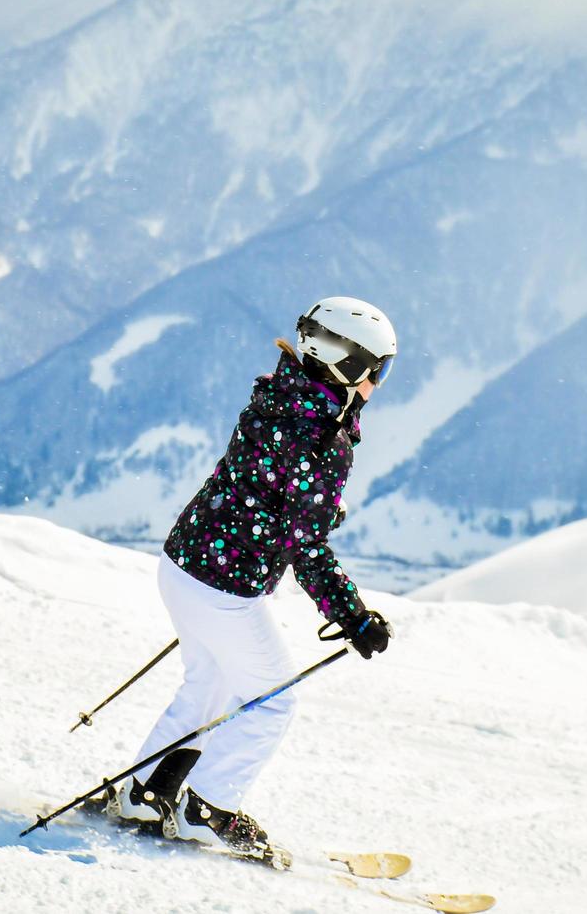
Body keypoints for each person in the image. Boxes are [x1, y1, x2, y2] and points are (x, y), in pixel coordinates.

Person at [110, 296, 398, 855]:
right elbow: (306, 545)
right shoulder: (320, 438)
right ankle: (206, 811)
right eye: (378, 370)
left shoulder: (281, 393)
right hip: (222, 587)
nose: (379, 384)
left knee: (210, 682)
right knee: (272, 701)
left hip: (184, 563)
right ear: (350, 364)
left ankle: (143, 793)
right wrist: (353, 617)